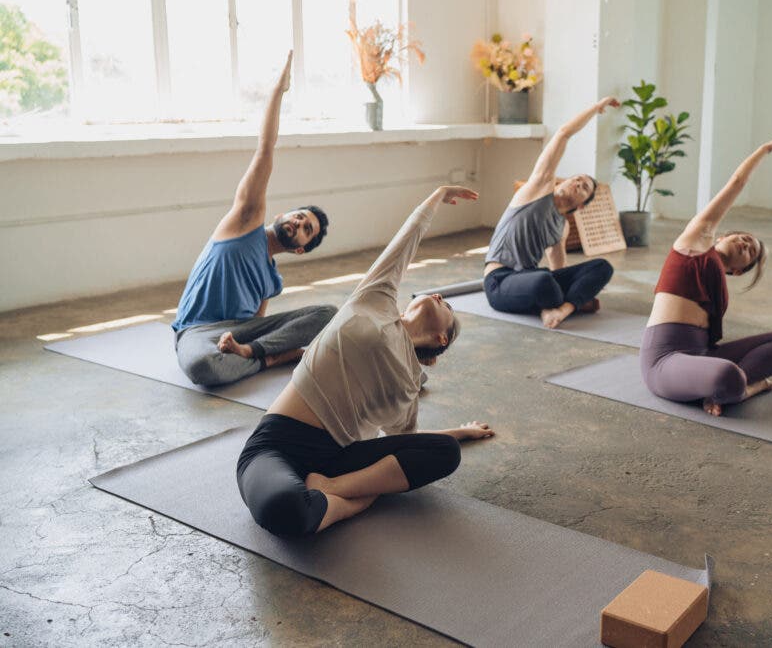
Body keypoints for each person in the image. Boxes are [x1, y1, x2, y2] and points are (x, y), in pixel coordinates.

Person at [237, 185, 495, 537]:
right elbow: (405, 242)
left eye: (446, 306)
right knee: (282, 509)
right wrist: (437, 196)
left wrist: (460, 433)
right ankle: (348, 498)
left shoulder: (408, 386)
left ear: (441, 339)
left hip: (341, 459)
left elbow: (407, 445)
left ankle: (334, 490)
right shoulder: (377, 300)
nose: (437, 295)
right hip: (279, 443)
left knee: (446, 452)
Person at [171, 51, 336, 387]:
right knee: (203, 368)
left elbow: (255, 324)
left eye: (307, 230)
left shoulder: (271, 282)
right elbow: (266, 148)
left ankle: (256, 355)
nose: (298, 224)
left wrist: (250, 346)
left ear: (301, 249)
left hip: (241, 335)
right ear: (281, 215)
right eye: (300, 217)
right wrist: (278, 92)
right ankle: (270, 360)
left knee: (327, 314)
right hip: (199, 332)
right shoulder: (244, 223)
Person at [641, 132, 772, 416]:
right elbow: (737, 183)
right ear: (720, 237)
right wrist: (764, 149)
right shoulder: (693, 243)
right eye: (742, 237)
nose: (744, 242)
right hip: (665, 361)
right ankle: (747, 387)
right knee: (728, 375)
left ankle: (728, 388)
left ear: (738, 271)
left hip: (702, 356)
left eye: (750, 250)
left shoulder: (718, 281)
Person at [483, 97, 620, 329]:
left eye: (584, 187)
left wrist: (573, 285)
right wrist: (596, 108)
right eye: (577, 178)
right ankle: (567, 304)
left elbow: (559, 270)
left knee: (602, 267)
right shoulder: (538, 188)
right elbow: (564, 133)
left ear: (581, 206)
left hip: (530, 279)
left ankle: (563, 309)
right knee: (543, 281)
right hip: (500, 281)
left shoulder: (562, 227)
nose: (577, 183)